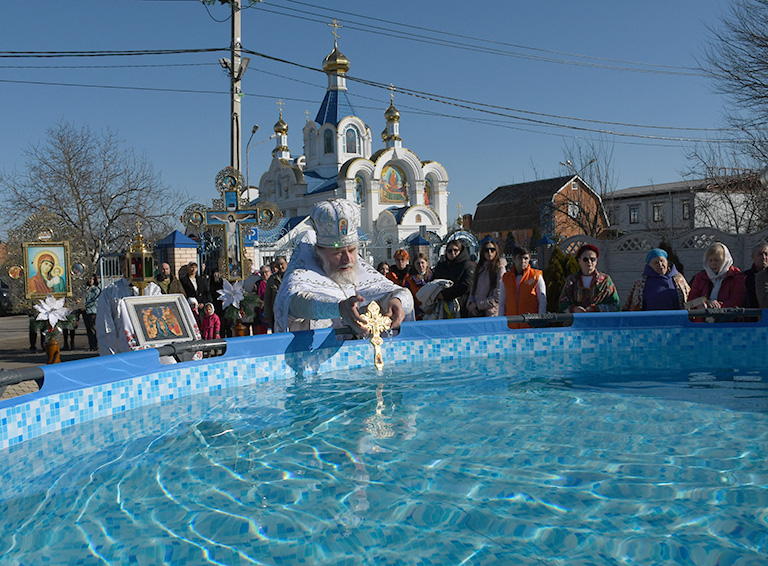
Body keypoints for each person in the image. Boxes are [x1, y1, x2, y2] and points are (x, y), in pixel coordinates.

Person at [273, 199, 413, 333]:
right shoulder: (302, 274)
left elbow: (401, 293)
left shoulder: (360, 271)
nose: (348, 259)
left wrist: (397, 301)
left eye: (352, 250)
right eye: (337, 252)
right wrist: (338, 308)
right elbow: (295, 304)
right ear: (319, 252)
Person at [558, 244, 621, 313]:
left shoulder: (605, 280)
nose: (589, 262)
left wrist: (596, 308)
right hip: (577, 320)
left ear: (596, 261)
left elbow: (615, 304)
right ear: (579, 261)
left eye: (592, 259)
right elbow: (562, 304)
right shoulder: (571, 281)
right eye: (585, 259)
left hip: (599, 321)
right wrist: (574, 309)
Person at [96, 257, 139, 355]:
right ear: (121, 267)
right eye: (126, 265)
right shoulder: (110, 291)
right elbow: (105, 324)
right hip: (123, 350)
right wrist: (109, 355)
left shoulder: (152, 289)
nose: (130, 268)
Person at [624, 248, 690, 311]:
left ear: (667, 262)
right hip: (651, 320)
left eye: (662, 261)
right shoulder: (642, 282)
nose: (660, 265)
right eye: (656, 263)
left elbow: (688, 299)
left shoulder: (678, 278)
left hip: (677, 319)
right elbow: (634, 305)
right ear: (650, 266)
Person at [499, 246, 547, 327]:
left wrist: (540, 319)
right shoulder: (506, 278)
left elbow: (542, 300)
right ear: (514, 258)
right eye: (520, 258)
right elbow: (502, 302)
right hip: (511, 324)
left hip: (530, 324)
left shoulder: (536, 276)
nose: (523, 261)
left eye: (526, 258)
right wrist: (500, 322)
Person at [688, 242, 745, 308]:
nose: (713, 263)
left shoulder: (736, 276)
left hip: (728, 317)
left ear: (725, 260)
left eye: (717, 260)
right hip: (704, 317)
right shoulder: (700, 277)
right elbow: (690, 303)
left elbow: (737, 301)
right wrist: (706, 301)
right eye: (710, 260)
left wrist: (717, 307)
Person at [431, 240, 474, 318]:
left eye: (455, 250)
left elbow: (466, 285)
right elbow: (433, 281)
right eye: (449, 251)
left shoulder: (467, 265)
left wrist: (445, 295)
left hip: (460, 306)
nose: (452, 253)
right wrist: (437, 293)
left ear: (460, 251)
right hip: (441, 306)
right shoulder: (442, 265)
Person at [467, 241, 504, 317]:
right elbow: (472, 290)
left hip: (491, 314)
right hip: (476, 313)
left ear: (496, 252)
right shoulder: (479, 268)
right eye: (486, 250)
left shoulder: (499, 269)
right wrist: (470, 304)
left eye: (492, 250)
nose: (489, 252)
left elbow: (498, 297)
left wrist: (477, 304)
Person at [263, 256, 288, 332]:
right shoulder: (272, 279)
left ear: (286, 263)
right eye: (278, 265)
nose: (280, 267)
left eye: (282, 264)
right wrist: (269, 316)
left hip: (290, 315)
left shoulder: (292, 277)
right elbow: (267, 299)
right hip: (277, 316)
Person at [405, 253, 432, 320]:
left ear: (427, 263)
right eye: (418, 263)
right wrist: (418, 312)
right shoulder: (409, 280)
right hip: (419, 314)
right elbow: (409, 298)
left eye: (422, 263)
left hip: (434, 311)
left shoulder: (434, 276)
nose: (420, 265)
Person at [742, 242, 768, 308]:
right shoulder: (744, 277)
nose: (763, 257)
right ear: (752, 257)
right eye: (760, 254)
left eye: (766, 254)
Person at [82, 274, 100, 351]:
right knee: (88, 329)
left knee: (93, 328)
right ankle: (91, 345)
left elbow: (95, 301)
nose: (90, 281)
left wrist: (86, 305)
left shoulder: (96, 289)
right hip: (85, 311)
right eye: (89, 279)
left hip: (92, 311)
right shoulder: (85, 289)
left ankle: (95, 345)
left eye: (92, 279)